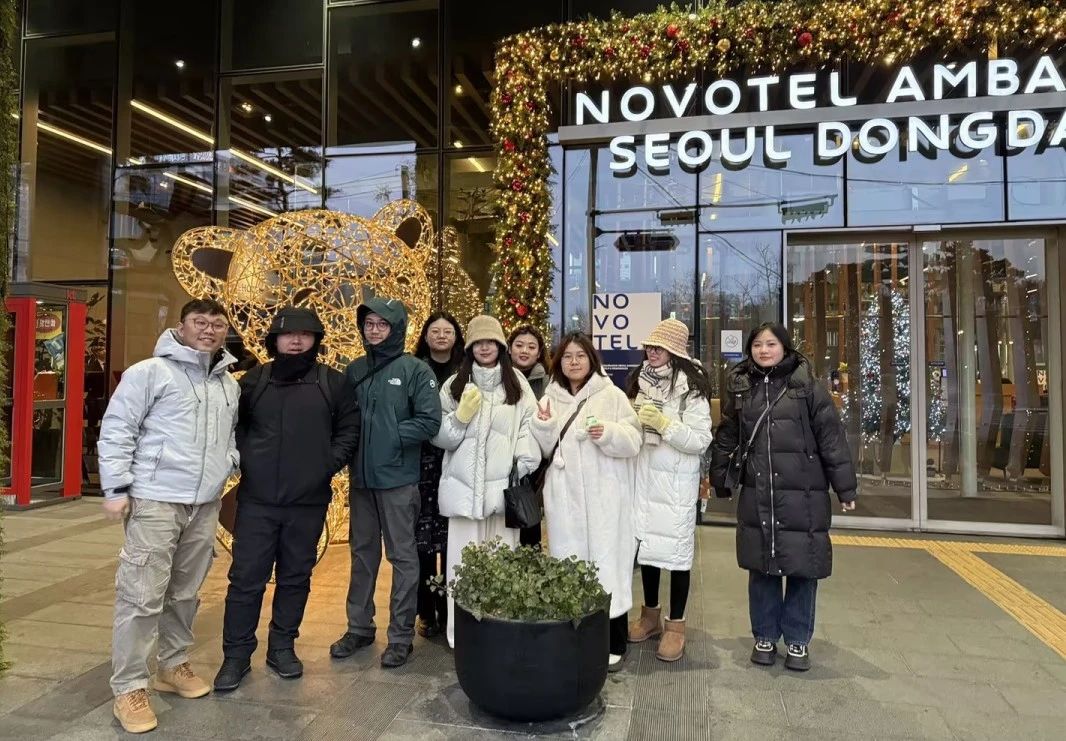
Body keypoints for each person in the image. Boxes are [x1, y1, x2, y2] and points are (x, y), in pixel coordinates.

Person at [98, 298, 239, 734]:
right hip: (156, 499)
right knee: (141, 594)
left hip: (205, 503)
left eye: (217, 324)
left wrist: (229, 463)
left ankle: (172, 664)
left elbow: (230, 437)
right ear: (181, 326)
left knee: (185, 592)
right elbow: (117, 428)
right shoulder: (149, 373)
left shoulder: (228, 384)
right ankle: (129, 687)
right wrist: (116, 488)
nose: (209, 330)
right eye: (200, 322)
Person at [214, 307, 360, 691]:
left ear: (316, 340)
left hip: (308, 500)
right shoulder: (254, 381)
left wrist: (324, 465)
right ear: (274, 340)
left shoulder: (333, 382)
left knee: (296, 577)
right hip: (257, 500)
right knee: (246, 580)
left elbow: (349, 429)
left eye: (305, 334)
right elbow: (234, 427)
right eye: (288, 334)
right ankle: (236, 656)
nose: (296, 340)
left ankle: (282, 647)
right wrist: (249, 460)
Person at [709, 322, 857, 672]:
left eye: (771, 344)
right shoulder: (741, 387)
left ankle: (797, 640)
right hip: (758, 491)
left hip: (803, 494)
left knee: (803, 567)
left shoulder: (806, 387)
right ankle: (764, 635)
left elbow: (831, 438)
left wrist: (845, 487)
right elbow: (728, 433)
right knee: (762, 567)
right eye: (757, 344)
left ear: (785, 347)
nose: (763, 350)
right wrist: (719, 477)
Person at [332, 297, 442, 669]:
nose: (375, 330)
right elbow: (343, 418)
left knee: (403, 557)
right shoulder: (355, 369)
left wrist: (390, 436)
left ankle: (400, 636)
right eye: (369, 324)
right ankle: (359, 627)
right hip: (361, 480)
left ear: (397, 328)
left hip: (398, 479)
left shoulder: (416, 370)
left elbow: (429, 421)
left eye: (382, 324)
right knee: (362, 555)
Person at [531, 332, 642, 672]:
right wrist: (542, 426)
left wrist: (607, 433)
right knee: (569, 564)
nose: (574, 362)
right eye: (567, 356)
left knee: (608, 566)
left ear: (592, 360)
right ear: (559, 362)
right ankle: (575, 640)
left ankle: (614, 641)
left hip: (605, 496)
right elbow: (544, 449)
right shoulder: (549, 397)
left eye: (580, 355)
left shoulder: (612, 395)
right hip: (565, 499)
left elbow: (634, 440)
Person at [431, 315, 541, 648]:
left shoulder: (516, 384)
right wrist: (460, 417)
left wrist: (523, 460)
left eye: (490, 341)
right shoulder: (454, 385)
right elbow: (440, 438)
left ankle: (500, 629)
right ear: (469, 347)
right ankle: (462, 634)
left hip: (500, 494)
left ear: (500, 345)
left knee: (502, 563)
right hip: (462, 495)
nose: (484, 347)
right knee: (461, 566)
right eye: (478, 342)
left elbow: (529, 426)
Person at [625, 318, 713, 662]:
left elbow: (700, 440)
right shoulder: (640, 382)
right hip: (644, 478)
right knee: (648, 550)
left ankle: (676, 625)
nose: (652, 352)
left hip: (676, 485)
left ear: (674, 351)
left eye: (659, 347)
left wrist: (664, 424)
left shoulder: (692, 388)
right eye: (649, 346)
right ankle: (650, 617)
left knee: (677, 556)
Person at [412, 311, 465, 638]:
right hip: (420, 464)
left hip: (455, 462)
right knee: (422, 541)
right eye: (436, 330)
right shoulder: (414, 368)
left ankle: (448, 609)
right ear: (426, 335)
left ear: (456, 336)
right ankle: (425, 609)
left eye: (448, 331)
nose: (442, 335)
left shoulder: (466, 370)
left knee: (450, 540)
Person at [507, 324, 551, 549]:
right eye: (519, 345)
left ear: (539, 351)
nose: (525, 351)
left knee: (529, 526)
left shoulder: (548, 382)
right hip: (504, 459)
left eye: (531, 347)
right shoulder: (499, 376)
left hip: (535, 466)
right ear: (509, 348)